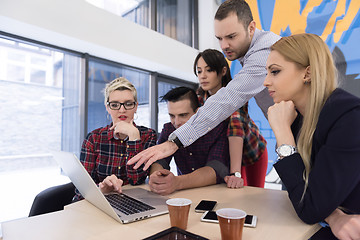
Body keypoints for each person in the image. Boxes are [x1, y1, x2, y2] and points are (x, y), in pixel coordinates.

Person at [128, 0, 280, 170]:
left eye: (231, 37)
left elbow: (228, 101)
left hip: (268, 146)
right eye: (219, 38)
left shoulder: (264, 53)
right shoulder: (201, 94)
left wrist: (176, 141)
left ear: (251, 28)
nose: (223, 46)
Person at [264, 33, 360, 239]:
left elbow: (309, 208)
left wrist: (282, 133)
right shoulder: (298, 119)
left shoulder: (350, 118)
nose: (266, 82)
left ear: (307, 73)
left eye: (275, 72)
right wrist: (332, 214)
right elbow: (303, 195)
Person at [74, 77, 157, 200]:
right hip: (100, 201)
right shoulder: (94, 138)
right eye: (114, 105)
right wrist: (101, 188)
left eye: (128, 104)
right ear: (107, 107)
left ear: (136, 106)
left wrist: (134, 137)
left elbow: (136, 180)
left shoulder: (148, 135)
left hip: (133, 202)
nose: (122, 110)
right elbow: (82, 189)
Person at [195, 49, 267, 188]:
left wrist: (235, 173)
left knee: (254, 195)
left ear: (222, 71)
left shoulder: (235, 95)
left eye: (209, 70)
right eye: (199, 71)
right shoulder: (199, 98)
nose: (202, 76)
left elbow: (236, 130)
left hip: (252, 152)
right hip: (224, 155)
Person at [149, 87, 230, 195]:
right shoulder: (169, 129)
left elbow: (216, 169)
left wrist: (176, 183)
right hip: (184, 194)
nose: (176, 122)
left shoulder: (217, 129)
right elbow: (160, 161)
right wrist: (157, 177)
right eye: (172, 116)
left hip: (217, 193)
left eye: (183, 115)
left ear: (197, 113)